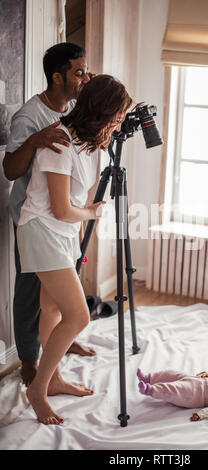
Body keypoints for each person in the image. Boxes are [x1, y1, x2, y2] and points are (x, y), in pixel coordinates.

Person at [16, 74, 133, 425]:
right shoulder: (61, 142)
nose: (117, 125)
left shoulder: (84, 143)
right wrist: (93, 213)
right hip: (42, 231)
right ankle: (37, 388)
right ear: (101, 112)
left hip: (61, 233)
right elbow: (62, 207)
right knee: (79, 315)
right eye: (115, 118)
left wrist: (84, 213)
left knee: (51, 308)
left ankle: (53, 381)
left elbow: (73, 202)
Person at [3, 42, 97, 387]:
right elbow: (11, 169)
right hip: (34, 218)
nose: (84, 77)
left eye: (86, 70)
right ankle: (30, 362)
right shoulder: (29, 117)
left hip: (62, 218)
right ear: (57, 77)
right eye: (78, 71)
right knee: (29, 291)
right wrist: (34, 141)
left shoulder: (73, 106)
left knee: (59, 292)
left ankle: (61, 341)